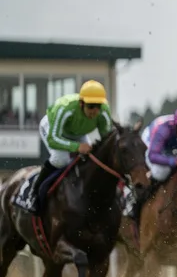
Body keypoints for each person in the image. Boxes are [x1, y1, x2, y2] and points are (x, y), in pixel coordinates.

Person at [32, 80, 115, 212]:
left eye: (98, 106)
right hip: (52, 129)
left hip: (78, 133)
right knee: (61, 159)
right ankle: (35, 193)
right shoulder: (65, 108)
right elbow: (53, 139)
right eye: (90, 106)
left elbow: (107, 140)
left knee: (90, 159)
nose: (94, 111)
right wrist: (77, 147)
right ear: (81, 103)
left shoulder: (103, 113)